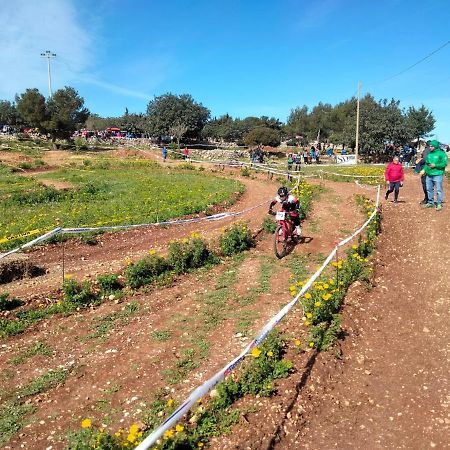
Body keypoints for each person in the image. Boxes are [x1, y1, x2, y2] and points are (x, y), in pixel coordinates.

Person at [423, 140, 448, 210]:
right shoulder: (429, 154)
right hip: (429, 174)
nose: (430, 147)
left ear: (436, 146)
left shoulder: (442, 154)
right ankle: (431, 202)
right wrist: (423, 170)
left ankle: (439, 204)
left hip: (438, 174)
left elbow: (444, 164)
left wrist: (435, 165)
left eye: (432, 146)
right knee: (429, 189)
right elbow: (427, 164)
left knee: (439, 190)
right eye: (429, 146)